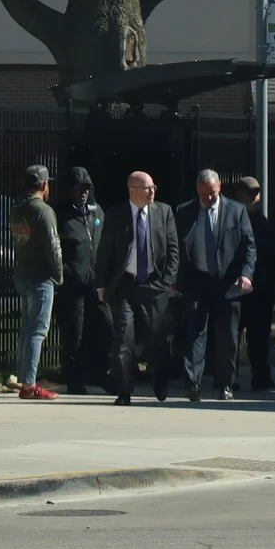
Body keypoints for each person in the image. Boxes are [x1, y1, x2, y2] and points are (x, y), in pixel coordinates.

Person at [172, 167, 256, 401]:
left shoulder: (236, 211)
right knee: (195, 334)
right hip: (197, 281)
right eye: (203, 194)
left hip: (228, 283)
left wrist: (246, 274)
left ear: (219, 188)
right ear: (197, 190)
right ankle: (193, 383)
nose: (208, 199)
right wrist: (176, 279)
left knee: (227, 337)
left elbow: (249, 246)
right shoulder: (185, 211)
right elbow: (176, 246)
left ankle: (226, 384)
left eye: (212, 194)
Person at [96, 170, 179, 404]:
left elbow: (173, 250)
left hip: (154, 283)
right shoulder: (116, 215)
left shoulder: (164, 212)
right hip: (124, 285)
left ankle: (160, 382)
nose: (153, 191)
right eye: (147, 188)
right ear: (133, 191)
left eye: (154, 187)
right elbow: (104, 252)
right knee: (124, 337)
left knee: (157, 338)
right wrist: (100, 284)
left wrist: (168, 281)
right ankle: (124, 390)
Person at [7, 165, 62, 400]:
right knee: (38, 330)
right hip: (41, 276)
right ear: (43, 185)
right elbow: (53, 245)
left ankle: (23, 378)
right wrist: (59, 273)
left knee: (27, 328)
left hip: (22, 272)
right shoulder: (43, 211)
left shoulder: (17, 209)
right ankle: (29, 384)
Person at [56, 167, 109, 393]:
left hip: (96, 283)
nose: (83, 193)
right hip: (73, 283)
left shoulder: (97, 214)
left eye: (87, 188)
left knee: (106, 326)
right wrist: (66, 273)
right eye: (79, 188)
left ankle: (100, 373)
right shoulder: (61, 215)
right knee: (74, 333)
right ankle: (75, 380)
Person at [232, 175, 275, 393]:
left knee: (259, 338)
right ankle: (228, 378)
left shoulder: (262, 222)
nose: (255, 198)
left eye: (256, 193)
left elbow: (272, 255)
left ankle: (261, 377)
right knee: (232, 335)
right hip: (238, 287)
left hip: (261, 289)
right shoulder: (232, 219)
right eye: (250, 194)